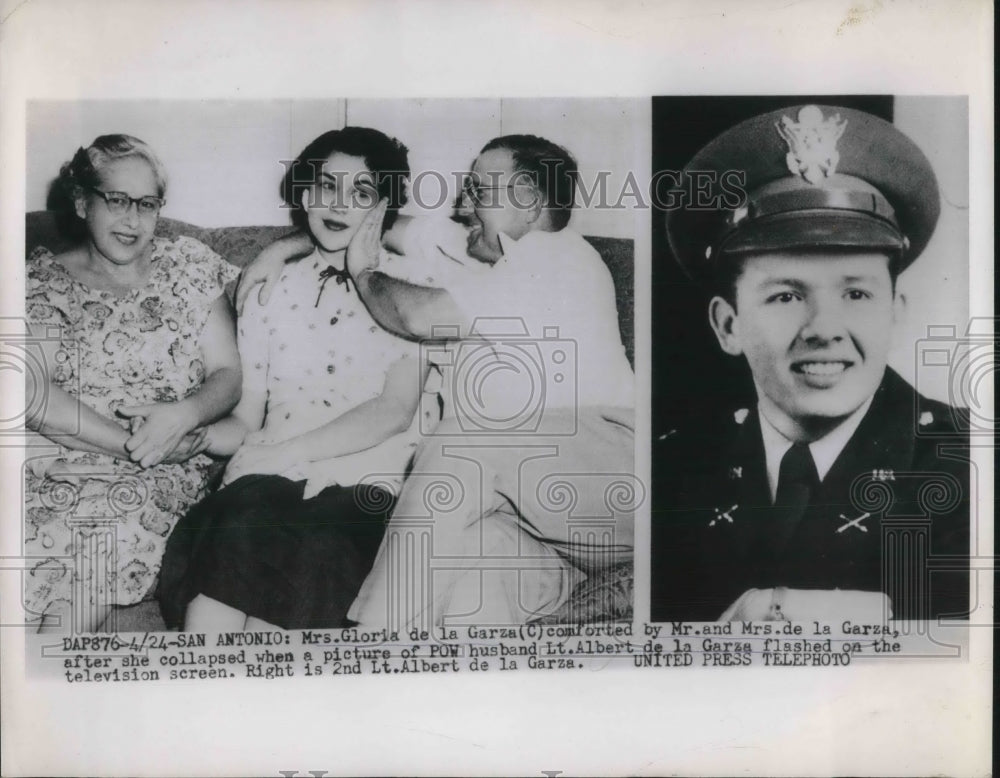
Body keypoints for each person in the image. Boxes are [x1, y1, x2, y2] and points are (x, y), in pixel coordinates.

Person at [239, 133, 636, 629]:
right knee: (472, 578)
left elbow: (420, 317)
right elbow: (369, 226)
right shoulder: (473, 254)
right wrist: (282, 248)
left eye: (479, 192)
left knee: (463, 443)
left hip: (613, 474)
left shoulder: (555, 256)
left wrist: (364, 276)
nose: (464, 205)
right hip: (552, 526)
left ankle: (368, 648)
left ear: (530, 203)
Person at [650, 105, 970, 622]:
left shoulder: (972, 463)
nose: (824, 328)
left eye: (857, 294)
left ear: (896, 313)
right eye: (785, 296)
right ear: (728, 325)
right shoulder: (671, 466)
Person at [157, 127, 436, 631]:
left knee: (311, 548)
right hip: (266, 482)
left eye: (362, 193)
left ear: (384, 208)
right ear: (306, 192)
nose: (339, 204)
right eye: (327, 186)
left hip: (365, 483)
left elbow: (394, 411)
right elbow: (247, 416)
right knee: (242, 520)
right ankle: (200, 694)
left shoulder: (410, 290)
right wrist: (200, 438)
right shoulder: (270, 287)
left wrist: (288, 454)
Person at [24, 134, 242, 634]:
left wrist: (184, 415)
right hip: (68, 459)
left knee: (103, 539)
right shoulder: (43, 280)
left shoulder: (187, 264)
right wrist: (137, 446)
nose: (132, 220)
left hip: (159, 476)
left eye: (147, 204)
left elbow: (228, 376)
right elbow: (33, 396)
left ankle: (50, 682)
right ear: (82, 201)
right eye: (116, 200)